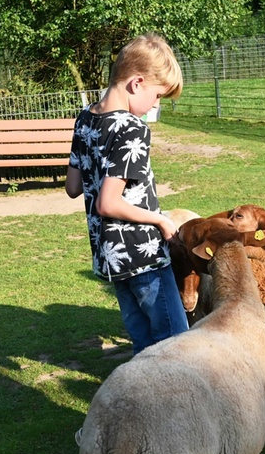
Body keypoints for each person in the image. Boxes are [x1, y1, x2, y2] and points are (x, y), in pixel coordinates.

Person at [65, 33, 189, 355]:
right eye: (158, 95)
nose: (156, 105)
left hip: (110, 257)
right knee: (176, 344)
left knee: (144, 346)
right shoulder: (132, 128)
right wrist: (160, 220)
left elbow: (73, 188)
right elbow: (109, 202)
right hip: (142, 254)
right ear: (137, 83)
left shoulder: (85, 119)